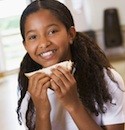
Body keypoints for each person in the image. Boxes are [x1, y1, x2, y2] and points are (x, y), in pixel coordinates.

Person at [17, 0, 125, 130]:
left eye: (52, 31)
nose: (44, 43)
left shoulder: (106, 80)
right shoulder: (30, 94)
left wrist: (74, 105)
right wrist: (42, 113)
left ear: (71, 34)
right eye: (33, 37)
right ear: (25, 46)